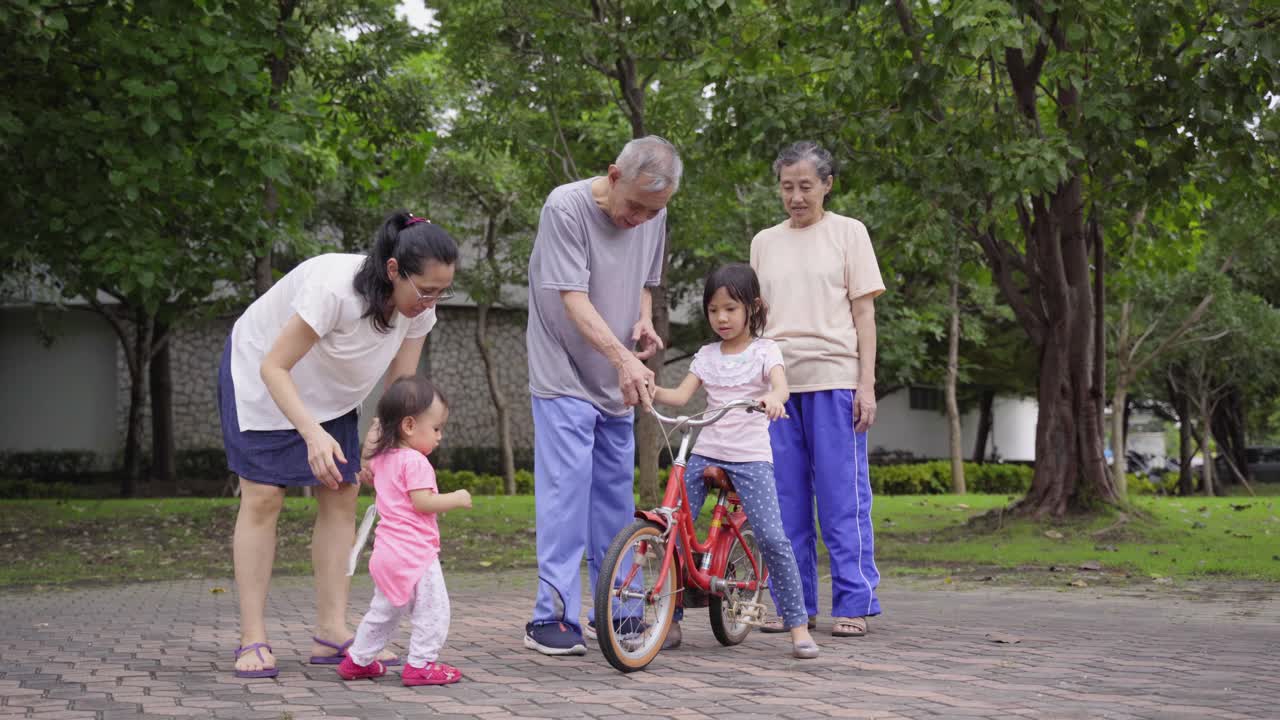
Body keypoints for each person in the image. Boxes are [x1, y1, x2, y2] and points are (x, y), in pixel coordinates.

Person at [220, 211, 458, 678]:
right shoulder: (334, 288)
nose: (432, 300)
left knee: (342, 492)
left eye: (441, 291)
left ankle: (331, 631)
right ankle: (253, 636)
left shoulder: (417, 310)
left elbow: (402, 384)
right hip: (262, 375)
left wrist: (378, 437)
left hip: (331, 392)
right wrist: (311, 432)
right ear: (394, 270)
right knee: (264, 498)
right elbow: (274, 367)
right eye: (426, 289)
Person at [523, 135, 681, 656]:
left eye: (652, 210)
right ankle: (553, 616)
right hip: (564, 369)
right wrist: (623, 359)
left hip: (616, 374)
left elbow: (643, 280)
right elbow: (572, 298)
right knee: (568, 492)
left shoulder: (654, 213)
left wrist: (640, 319)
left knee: (615, 500)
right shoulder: (564, 207)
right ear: (613, 175)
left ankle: (619, 611)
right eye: (634, 205)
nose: (640, 218)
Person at [749, 141, 886, 638]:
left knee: (841, 500)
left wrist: (866, 386)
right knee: (784, 504)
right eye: (787, 187)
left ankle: (854, 601)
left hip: (835, 382)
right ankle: (795, 606)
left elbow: (864, 316)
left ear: (827, 184)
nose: (796, 197)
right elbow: (756, 322)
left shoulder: (849, 233)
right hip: (779, 390)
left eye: (806, 186)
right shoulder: (764, 242)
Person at [652, 263, 819, 659]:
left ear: (752, 307)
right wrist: (649, 387)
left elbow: (780, 386)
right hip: (707, 448)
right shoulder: (706, 355)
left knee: (773, 538)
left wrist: (774, 399)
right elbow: (679, 397)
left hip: (749, 457)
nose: (722, 318)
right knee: (671, 530)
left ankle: (797, 626)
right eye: (713, 310)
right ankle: (669, 620)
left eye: (730, 308)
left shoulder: (765, 350)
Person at [336, 375, 469, 686]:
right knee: (434, 609)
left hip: (386, 553)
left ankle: (358, 660)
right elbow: (423, 502)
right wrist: (457, 498)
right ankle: (421, 664)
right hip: (415, 553)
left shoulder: (384, 459)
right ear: (409, 426)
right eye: (436, 428)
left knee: (384, 611)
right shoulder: (416, 462)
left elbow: (373, 479)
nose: (440, 436)